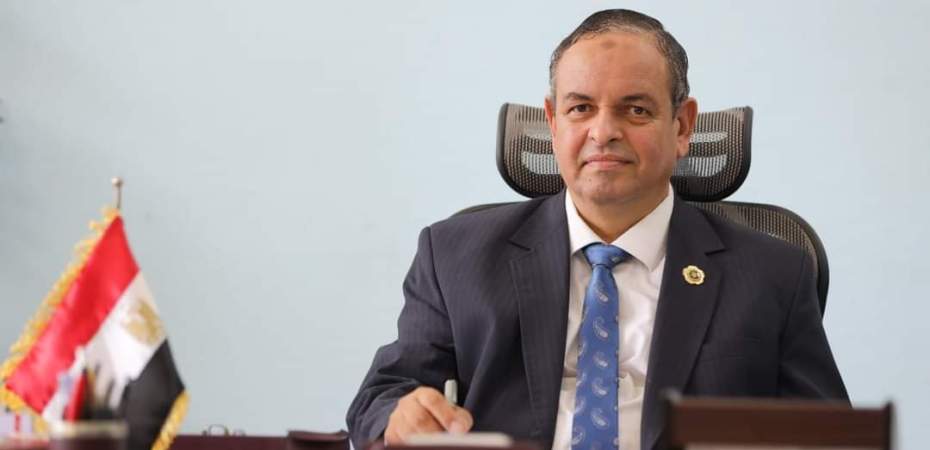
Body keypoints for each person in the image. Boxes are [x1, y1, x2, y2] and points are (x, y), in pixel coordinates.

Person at [347, 9, 847, 450]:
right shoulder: (456, 255)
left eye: (636, 109)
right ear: (552, 122)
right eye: (580, 108)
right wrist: (399, 416)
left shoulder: (773, 274)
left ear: (682, 126)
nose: (603, 132)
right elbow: (379, 398)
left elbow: (830, 437)